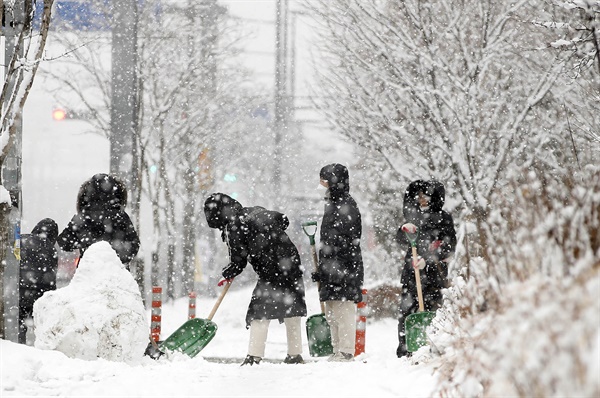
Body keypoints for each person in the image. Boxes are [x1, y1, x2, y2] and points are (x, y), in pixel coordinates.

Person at [203, 193, 307, 366]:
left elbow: (238, 261)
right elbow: (283, 219)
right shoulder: (255, 210)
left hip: (271, 270)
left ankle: (254, 356)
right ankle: (295, 355)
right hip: (292, 263)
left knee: (259, 313)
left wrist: (228, 273)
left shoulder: (233, 225)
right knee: (292, 309)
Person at [395, 179, 456, 358]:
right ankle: (406, 347)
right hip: (411, 274)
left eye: (426, 196)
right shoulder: (413, 217)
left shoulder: (443, 218)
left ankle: (433, 346)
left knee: (433, 311)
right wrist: (404, 230)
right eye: (419, 196)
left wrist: (428, 261)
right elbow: (401, 239)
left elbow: (449, 246)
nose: (422, 199)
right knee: (407, 310)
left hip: (434, 276)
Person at [312, 163, 364, 362]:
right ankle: (336, 349)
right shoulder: (333, 204)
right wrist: (324, 269)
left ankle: (345, 350)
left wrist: (336, 267)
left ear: (333, 181)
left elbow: (346, 241)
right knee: (333, 310)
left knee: (343, 310)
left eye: (323, 180)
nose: (320, 184)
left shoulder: (346, 205)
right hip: (333, 267)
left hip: (344, 267)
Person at [58, 173, 140, 267]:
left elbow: (64, 243)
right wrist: (116, 257)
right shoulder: (121, 216)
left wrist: (85, 245)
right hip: (115, 272)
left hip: (89, 271)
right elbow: (133, 246)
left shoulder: (83, 217)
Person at [18, 218, 59, 344]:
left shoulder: (22, 240)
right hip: (40, 294)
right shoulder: (51, 249)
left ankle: (18, 347)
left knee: (19, 325)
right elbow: (50, 276)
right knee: (42, 328)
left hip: (19, 291)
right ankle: (42, 350)